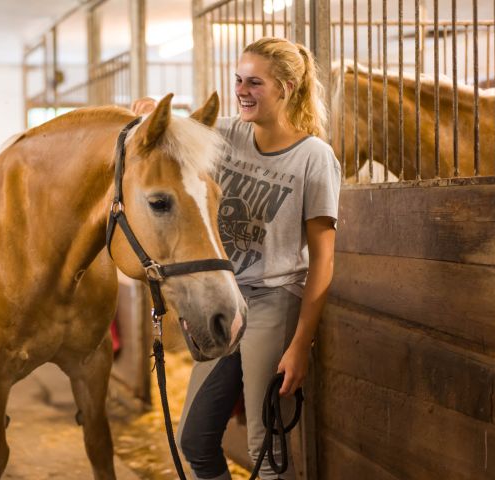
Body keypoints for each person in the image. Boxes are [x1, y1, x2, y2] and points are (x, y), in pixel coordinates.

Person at [133, 36, 340, 480]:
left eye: (255, 83)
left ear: (285, 88)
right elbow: (170, 128)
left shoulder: (314, 158)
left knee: (263, 447)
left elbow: (322, 259)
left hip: (273, 299)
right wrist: (149, 108)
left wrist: (300, 343)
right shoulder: (224, 134)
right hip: (225, 296)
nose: (242, 90)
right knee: (195, 440)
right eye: (238, 80)